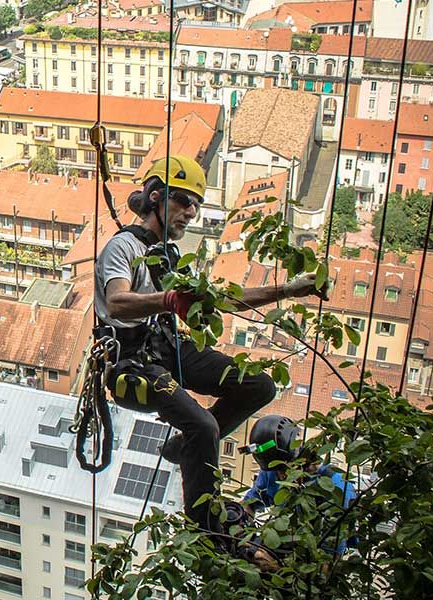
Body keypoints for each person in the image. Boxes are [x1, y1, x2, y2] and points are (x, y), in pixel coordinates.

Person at [95, 155, 328, 535]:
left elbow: (219, 299)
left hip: (166, 348)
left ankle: (182, 446)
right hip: (132, 361)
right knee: (204, 426)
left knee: (258, 385)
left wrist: (289, 290)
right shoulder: (123, 248)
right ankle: (205, 521)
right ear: (155, 197)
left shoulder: (170, 258)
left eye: (196, 205)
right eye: (184, 201)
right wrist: (168, 301)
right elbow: (118, 300)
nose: (191, 212)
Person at [241, 415, 357, 556]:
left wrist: (272, 565)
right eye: (277, 470)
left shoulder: (335, 488)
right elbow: (250, 504)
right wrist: (238, 523)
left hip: (314, 557)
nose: (281, 476)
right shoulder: (272, 471)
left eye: (284, 469)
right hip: (285, 543)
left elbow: (330, 562)